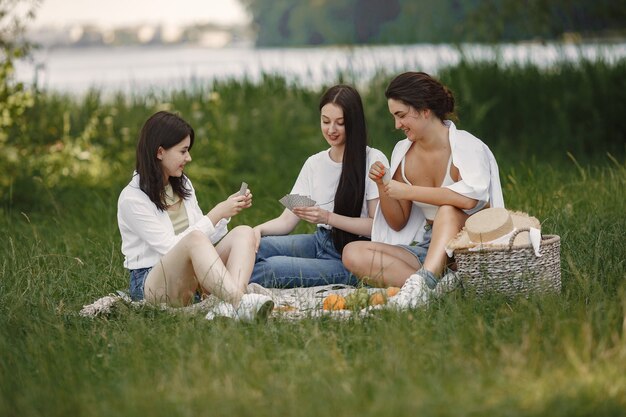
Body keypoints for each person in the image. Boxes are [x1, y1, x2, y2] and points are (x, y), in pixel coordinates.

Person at [342, 72, 504, 308]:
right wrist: (383, 185)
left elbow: (469, 200)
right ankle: (436, 289)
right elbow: (397, 221)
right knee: (352, 253)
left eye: (401, 115)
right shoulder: (403, 152)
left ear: (425, 110)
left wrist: (407, 191)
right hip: (429, 246)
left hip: (469, 248)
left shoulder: (468, 145)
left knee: (447, 210)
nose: (397, 125)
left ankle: (425, 282)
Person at [117, 111, 274, 321]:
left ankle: (233, 305)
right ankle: (240, 302)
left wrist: (226, 213)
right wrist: (216, 213)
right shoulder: (132, 199)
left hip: (191, 277)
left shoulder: (182, 184)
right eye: (183, 151)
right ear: (160, 152)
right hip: (153, 282)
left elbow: (202, 241)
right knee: (195, 239)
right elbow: (171, 247)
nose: (188, 158)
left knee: (243, 233)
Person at [250, 84, 389, 288]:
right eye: (325, 121)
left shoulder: (373, 159)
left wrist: (327, 217)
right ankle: (202, 282)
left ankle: (220, 287)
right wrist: (257, 230)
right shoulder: (314, 163)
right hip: (320, 241)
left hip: (353, 256)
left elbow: (376, 225)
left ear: (354, 123)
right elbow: (288, 220)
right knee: (251, 247)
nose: (331, 130)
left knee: (269, 268)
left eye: (340, 123)